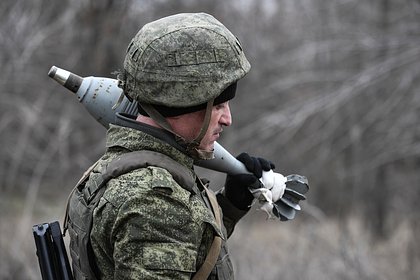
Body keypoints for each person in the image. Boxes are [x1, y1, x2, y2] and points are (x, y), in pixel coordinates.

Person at [66, 12, 277, 280]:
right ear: (185, 102)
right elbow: (164, 228)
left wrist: (230, 206)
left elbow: (183, 252)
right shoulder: (154, 200)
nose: (228, 119)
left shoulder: (123, 164)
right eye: (219, 105)